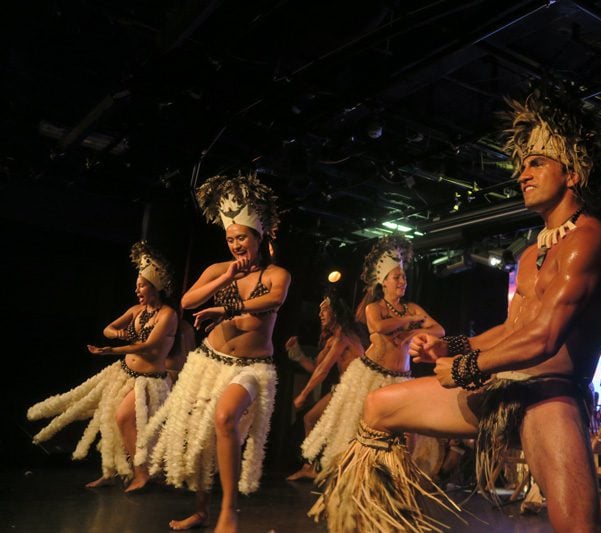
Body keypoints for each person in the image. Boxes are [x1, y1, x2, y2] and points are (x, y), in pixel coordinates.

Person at [309, 83, 601, 533]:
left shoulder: (589, 241)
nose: (523, 173)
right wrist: (449, 347)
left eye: (537, 163)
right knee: (379, 407)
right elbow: (513, 329)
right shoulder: (533, 250)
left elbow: (543, 339)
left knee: (578, 528)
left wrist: (465, 368)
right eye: (521, 165)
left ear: (572, 172)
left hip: (549, 396)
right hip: (502, 385)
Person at [140, 173, 289, 532]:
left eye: (241, 237)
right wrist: (226, 278)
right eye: (230, 238)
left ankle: (230, 512)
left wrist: (224, 310)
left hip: (252, 368)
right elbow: (188, 300)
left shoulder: (277, 274)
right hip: (209, 362)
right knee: (202, 436)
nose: (236, 244)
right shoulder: (220, 269)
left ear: (259, 235)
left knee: (225, 418)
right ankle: (203, 510)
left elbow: (273, 300)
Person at [28, 241, 178, 492]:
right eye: (137, 285)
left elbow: (148, 346)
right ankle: (112, 471)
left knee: (124, 418)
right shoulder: (136, 311)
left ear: (155, 286)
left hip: (149, 381)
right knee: (111, 422)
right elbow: (107, 329)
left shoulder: (168, 315)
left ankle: (142, 474)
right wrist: (120, 334)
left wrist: (113, 350)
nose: (137, 289)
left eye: (141, 285)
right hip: (123, 374)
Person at [302, 236, 445, 474]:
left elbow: (439, 329)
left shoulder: (413, 307)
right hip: (371, 374)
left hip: (402, 377)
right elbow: (378, 327)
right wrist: (409, 321)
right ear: (384, 282)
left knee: (407, 432)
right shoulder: (374, 308)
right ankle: (351, 474)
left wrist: (412, 333)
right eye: (396, 277)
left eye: (404, 276)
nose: (402, 281)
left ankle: (400, 476)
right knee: (357, 426)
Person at [286, 295, 364, 481]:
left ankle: (348, 472)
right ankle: (311, 466)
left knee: (334, 428)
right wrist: (297, 354)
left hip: (355, 389)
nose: (320, 314)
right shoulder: (334, 340)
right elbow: (315, 368)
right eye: (319, 310)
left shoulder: (344, 336)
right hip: (343, 389)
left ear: (336, 312)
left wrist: (303, 395)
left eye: (325, 309)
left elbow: (322, 370)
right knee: (310, 419)